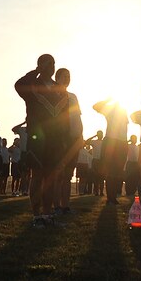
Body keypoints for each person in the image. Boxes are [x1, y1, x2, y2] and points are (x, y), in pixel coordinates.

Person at [15, 54, 67, 227]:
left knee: (50, 177)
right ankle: (36, 215)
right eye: (47, 63)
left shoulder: (59, 88)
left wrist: (64, 139)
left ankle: (47, 214)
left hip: (55, 139)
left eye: (53, 63)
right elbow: (18, 85)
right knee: (37, 175)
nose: (51, 66)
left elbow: (65, 116)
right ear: (40, 65)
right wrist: (35, 72)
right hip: (37, 137)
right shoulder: (32, 86)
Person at [56, 68, 83, 212]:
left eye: (69, 76)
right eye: (64, 76)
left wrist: (80, 136)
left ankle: (65, 205)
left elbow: (77, 117)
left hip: (74, 139)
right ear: (57, 77)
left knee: (67, 174)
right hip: (60, 139)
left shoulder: (73, 96)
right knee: (58, 174)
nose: (67, 78)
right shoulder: (53, 94)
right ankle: (56, 205)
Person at [92, 99, 128, 205]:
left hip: (122, 142)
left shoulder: (124, 111)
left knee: (118, 171)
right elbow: (95, 106)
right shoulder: (109, 109)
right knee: (111, 171)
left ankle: (113, 197)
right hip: (111, 142)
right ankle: (110, 198)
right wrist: (108, 99)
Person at [124, 135, 141, 199]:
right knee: (129, 178)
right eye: (133, 139)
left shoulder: (137, 146)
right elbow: (123, 145)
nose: (135, 140)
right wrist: (128, 141)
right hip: (130, 163)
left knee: (135, 178)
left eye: (135, 139)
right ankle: (128, 192)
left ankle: (133, 191)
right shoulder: (128, 146)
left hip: (136, 164)